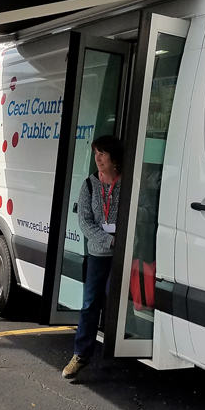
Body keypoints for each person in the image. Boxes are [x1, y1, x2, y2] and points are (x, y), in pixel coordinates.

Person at [62, 135, 123, 380]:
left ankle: (114, 354)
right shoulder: (89, 185)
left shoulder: (126, 183)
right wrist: (110, 240)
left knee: (116, 303)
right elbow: (85, 222)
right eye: (96, 153)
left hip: (124, 254)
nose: (97, 158)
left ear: (114, 157)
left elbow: (142, 210)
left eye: (103, 154)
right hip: (99, 253)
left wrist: (126, 240)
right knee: (90, 305)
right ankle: (80, 354)